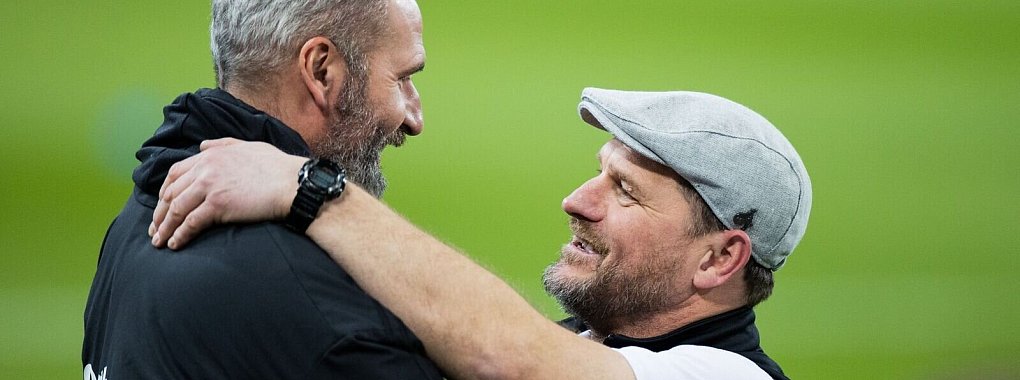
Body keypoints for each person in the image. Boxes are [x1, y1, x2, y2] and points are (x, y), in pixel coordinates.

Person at [150, 88, 812, 379]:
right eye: (597, 173)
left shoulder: (724, 376)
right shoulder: (589, 345)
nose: (576, 201)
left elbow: (509, 359)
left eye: (625, 190)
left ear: (721, 257)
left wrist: (312, 190)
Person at [82, 0, 443, 379]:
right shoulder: (312, 305)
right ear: (321, 70)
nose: (414, 118)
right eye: (400, 78)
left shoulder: (134, 223)